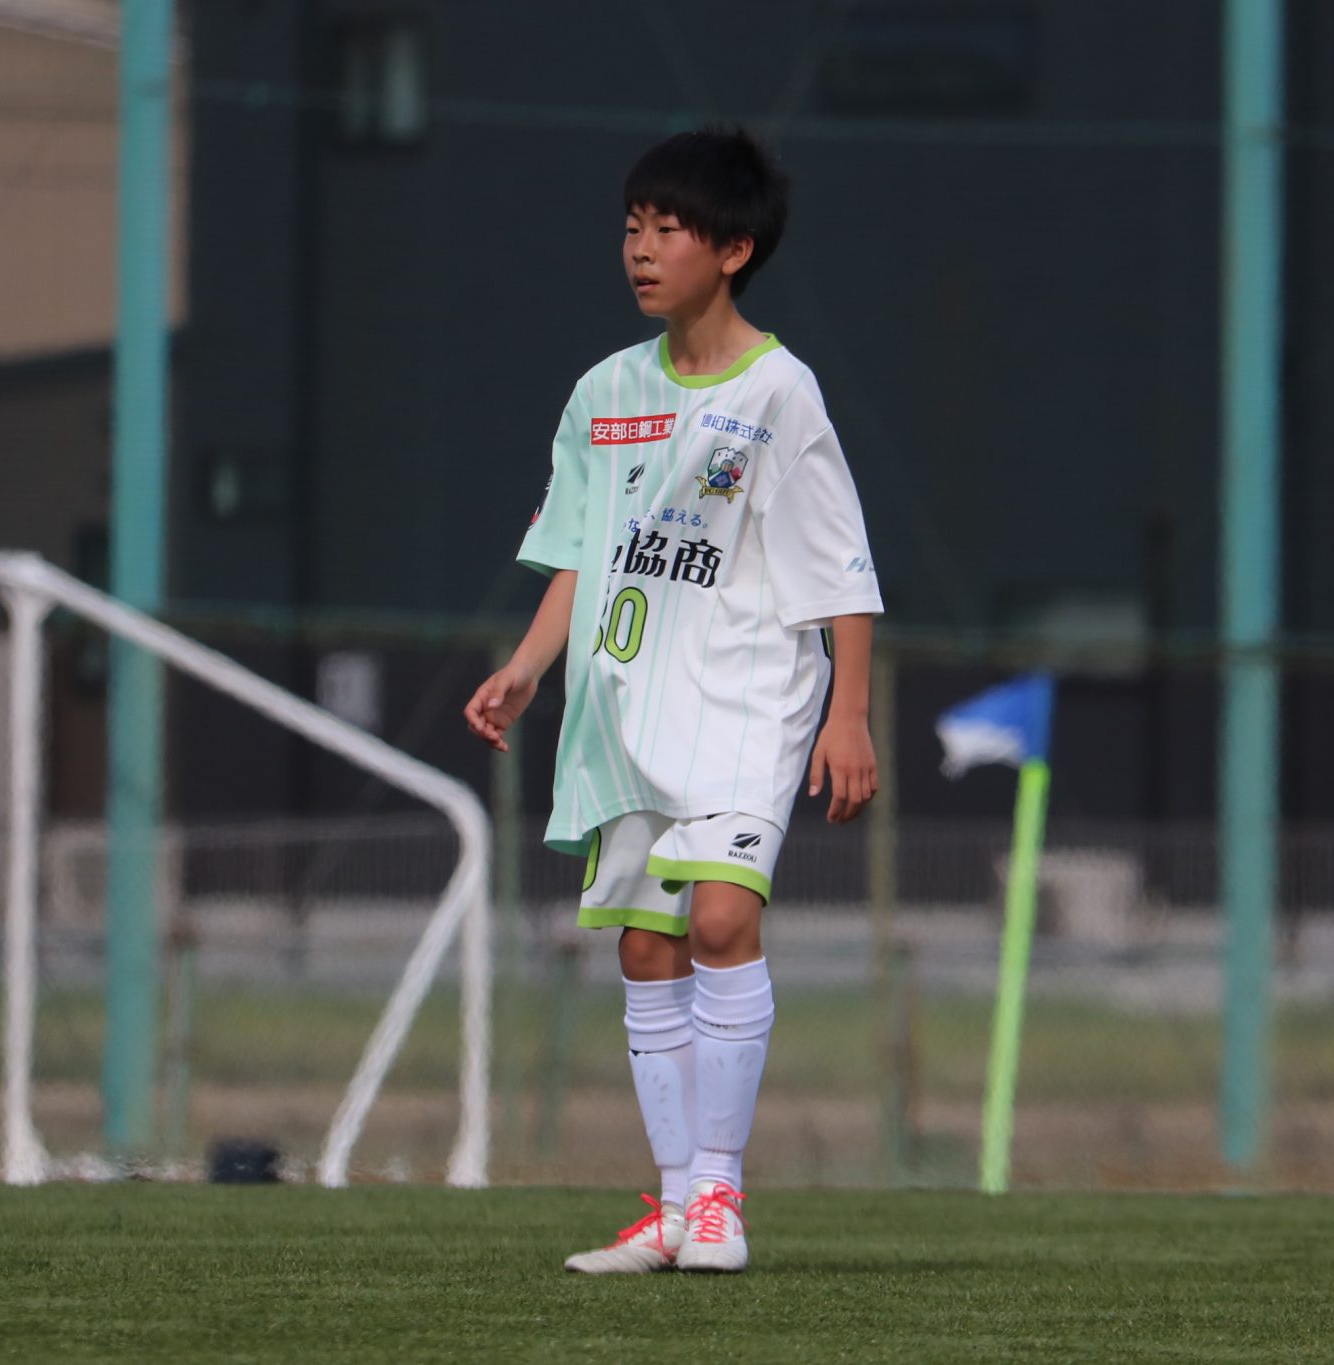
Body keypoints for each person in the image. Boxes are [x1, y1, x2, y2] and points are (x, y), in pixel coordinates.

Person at [463, 126, 883, 1275]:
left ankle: (721, 1200)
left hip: (746, 703)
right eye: (630, 228)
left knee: (719, 923)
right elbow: (579, 550)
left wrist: (848, 714)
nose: (639, 251)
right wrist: (526, 667)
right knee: (646, 949)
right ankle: (676, 1204)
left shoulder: (780, 393)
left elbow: (838, 567)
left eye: (667, 230)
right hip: (626, 709)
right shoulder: (603, 392)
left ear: (732, 249)